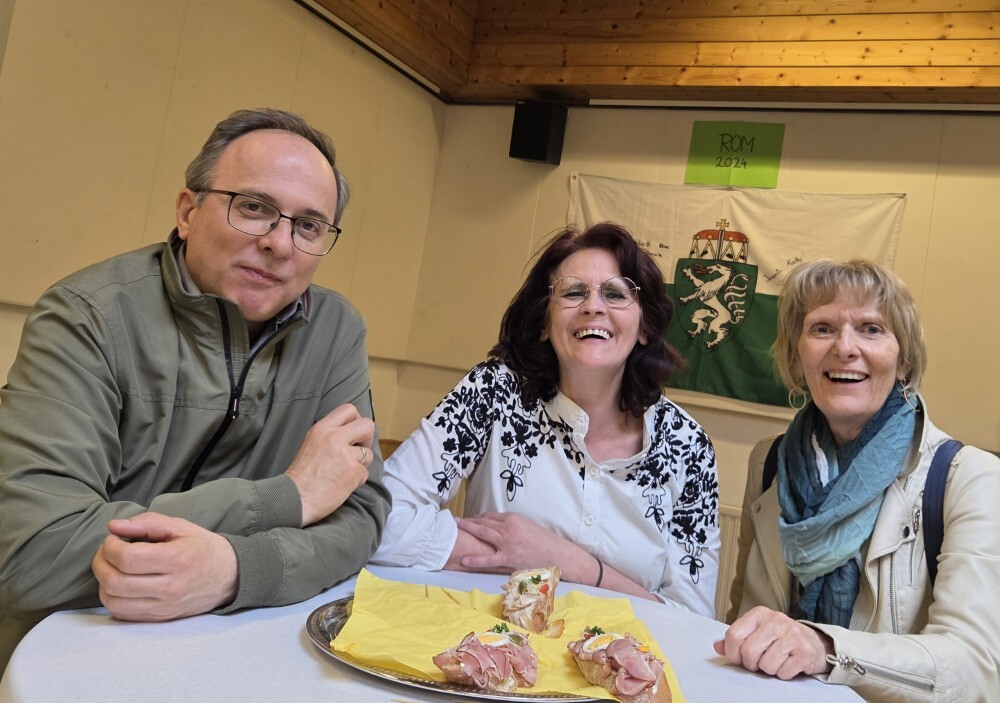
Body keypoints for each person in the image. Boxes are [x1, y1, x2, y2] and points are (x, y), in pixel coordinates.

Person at [0, 108, 391, 672]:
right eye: (253, 207)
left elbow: (361, 518)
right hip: (63, 652)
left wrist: (234, 568)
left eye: (309, 226)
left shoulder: (336, 330)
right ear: (188, 211)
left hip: (233, 652)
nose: (280, 243)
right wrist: (290, 497)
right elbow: (32, 553)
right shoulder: (87, 317)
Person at [370, 222, 720, 616]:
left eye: (615, 294)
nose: (593, 306)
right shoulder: (493, 391)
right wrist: (506, 551)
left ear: (644, 327)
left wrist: (567, 562)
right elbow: (376, 518)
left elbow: (692, 618)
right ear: (543, 323)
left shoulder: (689, 446)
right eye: (572, 292)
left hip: (621, 655)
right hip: (494, 645)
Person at [717, 259, 1000, 701]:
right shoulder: (768, 463)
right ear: (796, 357)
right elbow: (744, 616)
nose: (845, 347)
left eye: (871, 329)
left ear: (904, 360)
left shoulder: (967, 478)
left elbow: (973, 668)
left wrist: (826, 649)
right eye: (822, 328)